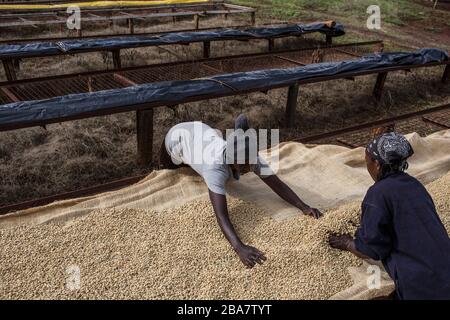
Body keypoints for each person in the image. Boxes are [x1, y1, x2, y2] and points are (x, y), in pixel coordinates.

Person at [159, 115, 322, 268]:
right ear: (231, 159)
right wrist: (239, 247)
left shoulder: (248, 157)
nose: (249, 169)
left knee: (194, 162)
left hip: (200, 130)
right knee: (167, 172)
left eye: (250, 164)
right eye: (243, 166)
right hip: (177, 138)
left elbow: (276, 184)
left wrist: (303, 206)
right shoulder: (214, 168)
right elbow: (221, 215)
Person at [329, 131, 450, 299]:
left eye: (367, 162)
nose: (367, 167)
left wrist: (348, 243)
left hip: (422, 285)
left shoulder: (378, 194)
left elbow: (372, 249)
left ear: (377, 164)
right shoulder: (415, 185)